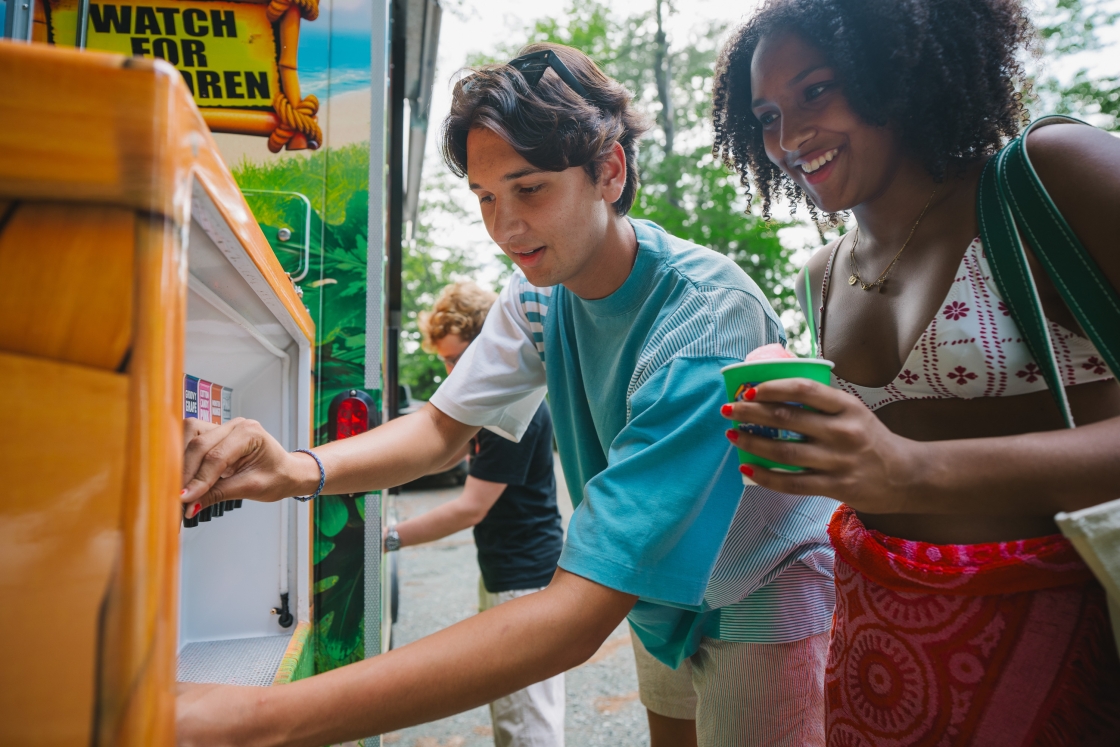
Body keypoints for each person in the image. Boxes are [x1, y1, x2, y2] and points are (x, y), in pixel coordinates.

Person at [176, 43, 838, 747]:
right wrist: (296, 469)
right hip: (658, 588)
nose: (504, 226)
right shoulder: (537, 296)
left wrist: (257, 718)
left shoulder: (703, 322)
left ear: (609, 171)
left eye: (530, 189)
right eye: (486, 197)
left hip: (761, 588)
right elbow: (438, 430)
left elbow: (575, 616)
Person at [711, 0, 1120, 743]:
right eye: (766, 113)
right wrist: (803, 440)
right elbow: (874, 476)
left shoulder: (1047, 179)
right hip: (877, 675)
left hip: (1066, 663)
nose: (789, 138)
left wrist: (913, 470)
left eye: (815, 89)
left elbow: (906, 468)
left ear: (894, 70)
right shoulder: (821, 277)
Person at [392, 280, 565, 747]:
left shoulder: (511, 406)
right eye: (444, 360)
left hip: (524, 577)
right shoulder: (488, 407)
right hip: (507, 569)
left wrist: (388, 537)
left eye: (456, 358)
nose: (450, 370)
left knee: (526, 718)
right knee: (511, 709)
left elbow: (470, 507)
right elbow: (444, 453)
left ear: (486, 343)